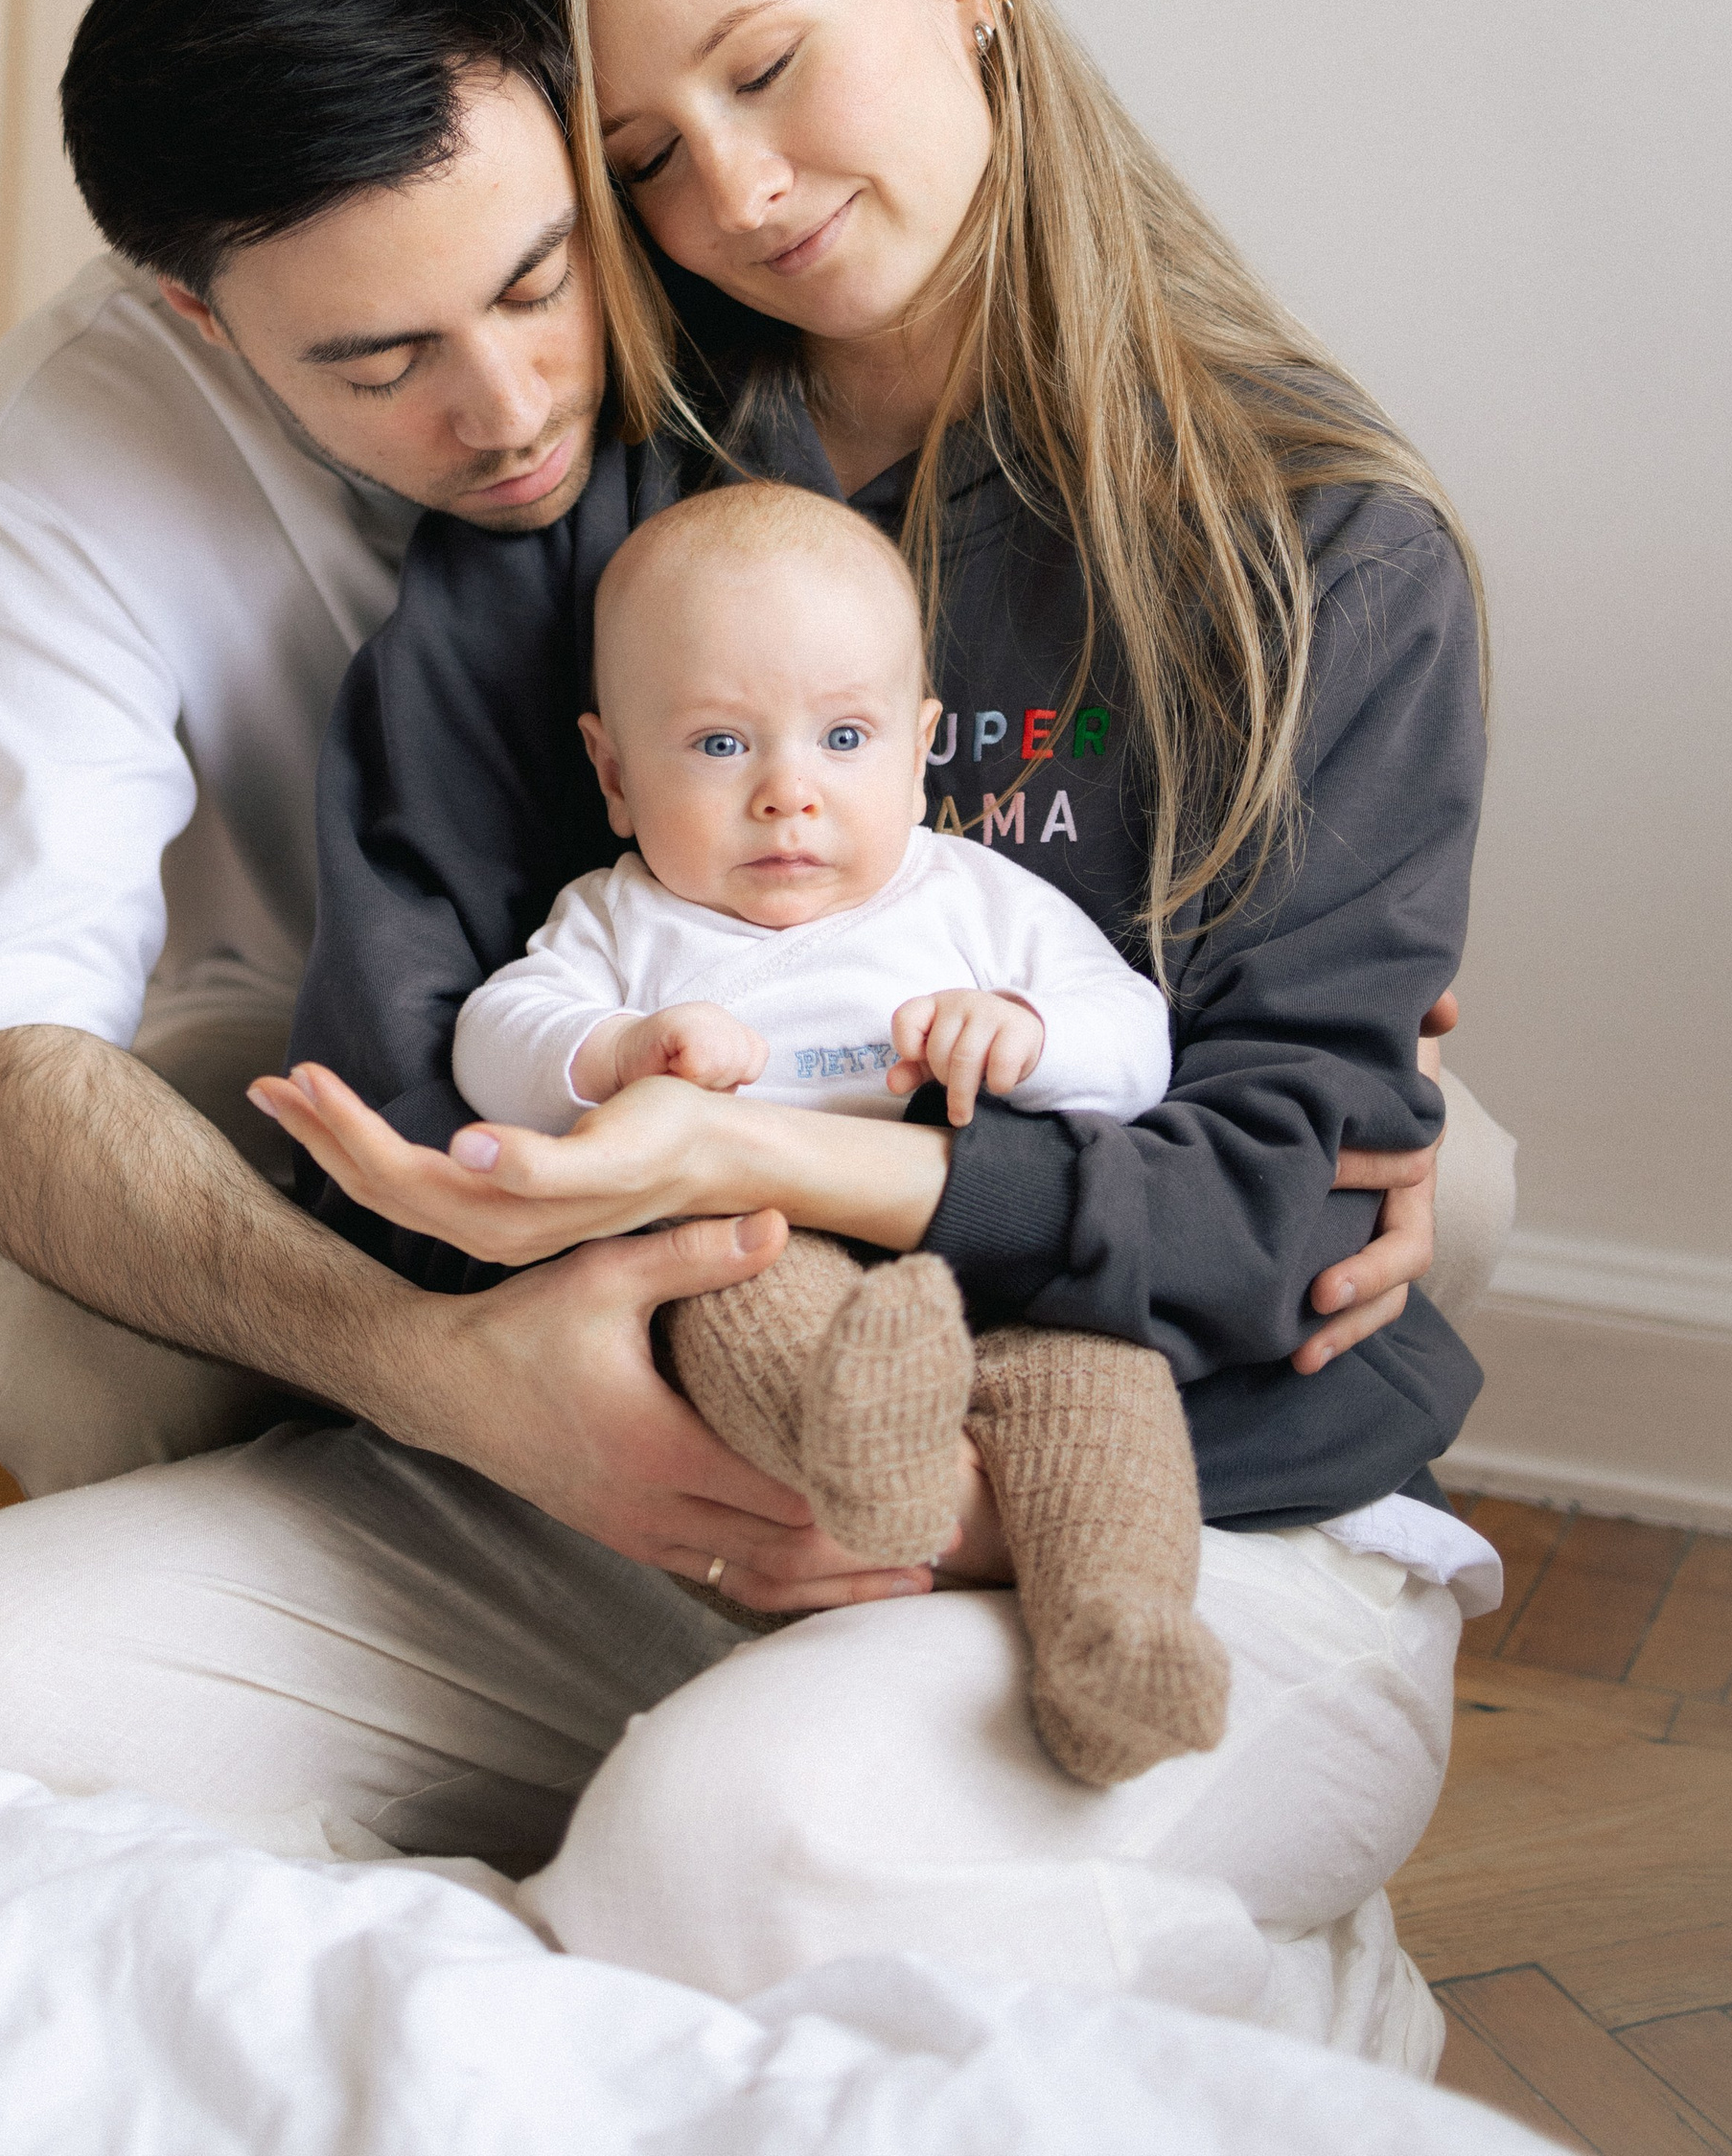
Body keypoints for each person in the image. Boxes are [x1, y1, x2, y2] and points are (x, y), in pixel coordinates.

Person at [0, 0, 1507, 2065]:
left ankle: (1226, 1983)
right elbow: (380, 1040)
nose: (733, 192)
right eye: (647, 155)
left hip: (1158, 1494)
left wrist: (768, 1155)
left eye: (765, 71)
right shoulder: (596, 517)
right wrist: (553, 1323)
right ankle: (569, 1952)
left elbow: (1287, 1188)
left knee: (724, 1846)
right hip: (654, 1448)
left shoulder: (1323, 550)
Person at [450, 476, 1230, 1789]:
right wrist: (620, 1050)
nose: (788, 794)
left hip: (1005, 1268)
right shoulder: (623, 919)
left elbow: (1135, 1038)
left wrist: (1026, 1032)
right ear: (615, 774)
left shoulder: (974, 897)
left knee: (1107, 1387)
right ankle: (881, 1452)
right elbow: (494, 1039)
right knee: (738, 1308)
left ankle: (1122, 1632)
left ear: (921, 751)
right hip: (768, 1253)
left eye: (846, 738)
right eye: (719, 745)